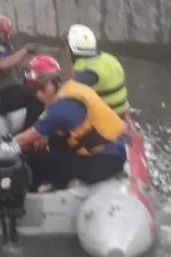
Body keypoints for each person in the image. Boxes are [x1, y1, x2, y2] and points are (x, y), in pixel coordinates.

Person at [14, 55, 127, 191]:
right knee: (54, 143)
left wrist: (1, 148)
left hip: (104, 162)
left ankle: (33, 195)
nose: (37, 95)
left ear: (47, 87)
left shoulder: (59, 110)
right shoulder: (70, 89)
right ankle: (59, 183)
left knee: (36, 162)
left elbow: (25, 138)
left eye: (37, 90)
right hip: (112, 151)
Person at [64, 24, 129, 118]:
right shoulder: (109, 58)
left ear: (72, 49)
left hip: (107, 119)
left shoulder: (84, 71)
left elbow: (69, 98)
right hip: (122, 112)